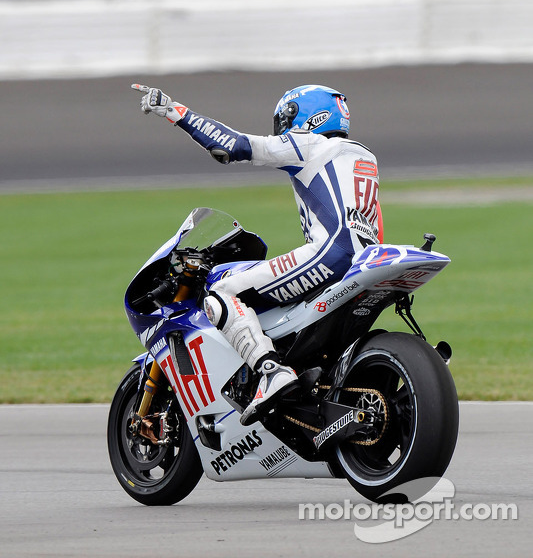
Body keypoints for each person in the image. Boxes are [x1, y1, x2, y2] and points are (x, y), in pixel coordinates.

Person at [131, 83, 382, 425]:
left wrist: (175, 111)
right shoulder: (364, 156)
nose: (283, 128)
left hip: (331, 254)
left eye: (287, 118)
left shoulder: (310, 144)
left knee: (220, 292)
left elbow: (231, 145)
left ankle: (270, 371)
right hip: (365, 258)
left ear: (309, 116)